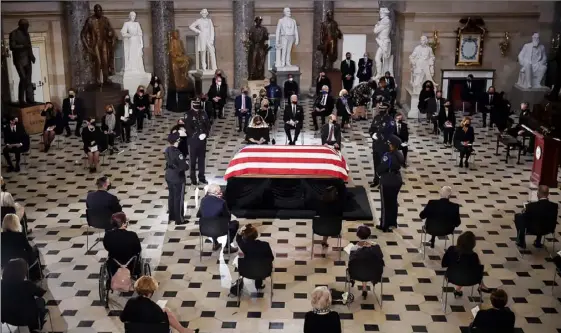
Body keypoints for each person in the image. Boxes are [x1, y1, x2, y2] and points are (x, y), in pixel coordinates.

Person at [120, 276, 198, 333]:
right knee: (167, 312)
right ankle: (184, 331)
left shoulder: (131, 302)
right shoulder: (154, 307)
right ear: (151, 292)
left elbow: (122, 318)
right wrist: (163, 311)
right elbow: (163, 321)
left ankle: (184, 331)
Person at [1, 258, 48, 333]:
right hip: (26, 319)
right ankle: (35, 328)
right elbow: (41, 293)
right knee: (40, 301)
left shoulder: (1, 284)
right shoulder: (27, 285)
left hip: (7, 317)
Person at [442, 231, 491, 297]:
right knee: (468, 270)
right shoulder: (474, 256)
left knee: (462, 271)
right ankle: (481, 285)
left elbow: (444, 263)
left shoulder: (451, 250)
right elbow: (478, 271)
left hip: (452, 277)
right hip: (471, 280)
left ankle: (458, 290)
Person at [199, 184, 239, 253]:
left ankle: (215, 243)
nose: (221, 191)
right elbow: (227, 217)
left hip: (204, 228)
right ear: (216, 192)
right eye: (220, 190)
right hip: (220, 229)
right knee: (235, 224)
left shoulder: (203, 200)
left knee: (211, 221)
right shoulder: (222, 202)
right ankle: (227, 246)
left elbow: (200, 214)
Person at [376, 135, 404, 232]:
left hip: (388, 180)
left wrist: (378, 173)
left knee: (385, 204)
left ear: (392, 145)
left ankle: (384, 225)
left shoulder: (388, 155)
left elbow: (382, 167)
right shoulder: (400, 154)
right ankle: (393, 223)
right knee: (393, 202)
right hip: (397, 179)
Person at [1, 214, 41, 280]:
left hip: (4, 262)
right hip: (20, 263)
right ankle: (36, 276)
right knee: (35, 250)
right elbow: (29, 249)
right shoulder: (20, 235)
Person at [349, 225, 384, 299]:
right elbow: (380, 258)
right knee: (367, 264)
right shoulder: (376, 246)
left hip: (357, 273)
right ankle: (364, 288)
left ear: (358, 235)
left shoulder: (354, 248)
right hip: (374, 273)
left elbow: (351, 262)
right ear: (369, 235)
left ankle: (361, 285)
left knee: (361, 264)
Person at [235, 224, 274, 289]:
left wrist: (240, 231)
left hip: (246, 272)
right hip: (264, 271)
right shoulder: (265, 245)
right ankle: (258, 285)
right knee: (259, 263)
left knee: (252, 263)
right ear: (256, 235)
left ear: (244, 236)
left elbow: (238, 239)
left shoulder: (243, 245)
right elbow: (271, 258)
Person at [103, 212, 142, 276]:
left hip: (114, 266)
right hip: (131, 266)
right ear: (123, 223)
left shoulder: (108, 234)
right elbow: (138, 249)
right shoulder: (132, 235)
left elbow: (107, 247)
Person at [164, 132, 189, 224]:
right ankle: (179, 219)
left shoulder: (167, 150)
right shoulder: (178, 153)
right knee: (179, 198)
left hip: (169, 175)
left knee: (171, 197)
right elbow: (184, 167)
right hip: (178, 177)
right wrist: (187, 164)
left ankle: (172, 216)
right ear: (177, 141)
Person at [368, 103, 394, 188]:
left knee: (384, 164)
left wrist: (381, 137)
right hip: (376, 145)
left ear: (386, 110)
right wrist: (372, 135)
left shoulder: (390, 120)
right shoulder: (376, 118)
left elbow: (390, 133)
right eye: (380, 109)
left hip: (384, 145)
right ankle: (376, 180)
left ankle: (383, 181)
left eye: (383, 109)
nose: (381, 110)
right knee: (376, 163)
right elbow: (371, 128)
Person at [185, 102, 211, 185]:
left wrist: (205, 134)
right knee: (192, 161)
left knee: (201, 160)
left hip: (202, 140)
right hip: (193, 141)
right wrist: (197, 135)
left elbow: (208, 125)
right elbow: (188, 128)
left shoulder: (203, 113)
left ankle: (201, 177)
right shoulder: (188, 114)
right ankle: (193, 178)